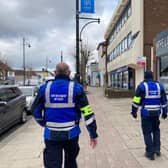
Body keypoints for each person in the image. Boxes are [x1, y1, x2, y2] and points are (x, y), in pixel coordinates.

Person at [32, 62, 98, 168]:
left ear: (55, 73)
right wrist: (93, 134)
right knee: (71, 162)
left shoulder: (45, 88)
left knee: (53, 164)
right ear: (69, 73)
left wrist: (44, 123)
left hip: (51, 135)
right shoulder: (77, 88)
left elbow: (35, 110)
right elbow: (87, 112)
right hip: (71, 134)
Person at [131, 70, 167, 160]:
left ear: (145, 77)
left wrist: (134, 112)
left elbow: (136, 101)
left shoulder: (142, 86)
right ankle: (157, 149)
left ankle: (150, 152)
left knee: (147, 132)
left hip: (146, 113)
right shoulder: (160, 86)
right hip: (156, 113)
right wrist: (165, 112)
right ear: (152, 76)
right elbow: (164, 101)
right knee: (156, 130)